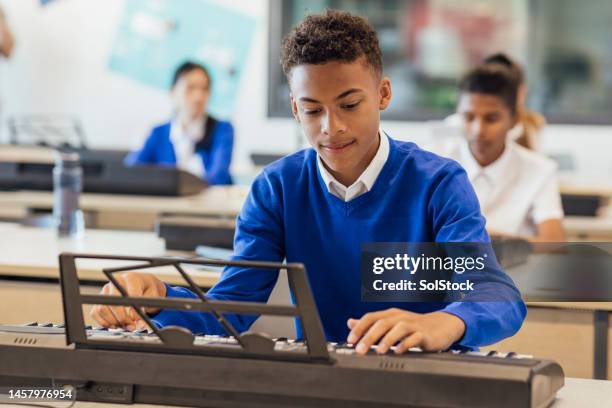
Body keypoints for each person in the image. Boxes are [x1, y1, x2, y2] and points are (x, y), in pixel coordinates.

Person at [93, 10, 525, 354]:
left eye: (349, 104)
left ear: (383, 95)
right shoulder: (276, 189)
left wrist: (442, 323)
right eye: (312, 109)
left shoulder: (438, 183)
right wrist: (159, 298)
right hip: (325, 384)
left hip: (423, 381)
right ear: (295, 110)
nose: (330, 127)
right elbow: (232, 307)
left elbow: (497, 295)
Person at [432, 64, 565, 241]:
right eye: (469, 117)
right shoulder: (432, 162)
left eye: (491, 119)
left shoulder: (540, 170)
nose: (478, 130)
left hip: (512, 267)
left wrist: (490, 241)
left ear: (514, 119)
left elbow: (554, 243)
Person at [125, 61, 234, 185]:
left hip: (210, 202)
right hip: (168, 203)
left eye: (204, 89)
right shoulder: (159, 133)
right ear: (173, 92)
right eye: (190, 88)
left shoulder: (222, 130)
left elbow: (219, 176)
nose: (198, 96)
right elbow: (131, 171)